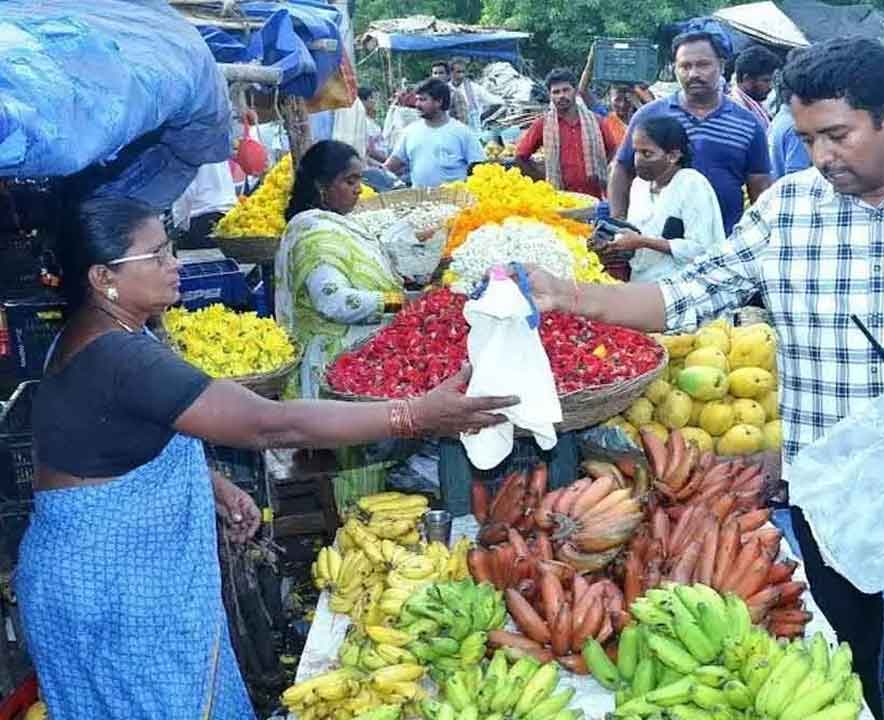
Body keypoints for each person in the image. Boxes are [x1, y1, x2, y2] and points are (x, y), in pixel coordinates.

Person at [529, 37, 884, 720]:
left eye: (837, 136)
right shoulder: (788, 208)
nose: (821, 157)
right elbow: (687, 295)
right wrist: (573, 296)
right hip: (829, 484)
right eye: (808, 138)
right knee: (840, 663)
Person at [16, 197, 515, 720]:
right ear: (103, 277)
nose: (175, 265)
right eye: (157, 255)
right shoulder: (121, 354)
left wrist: (210, 485)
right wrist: (411, 415)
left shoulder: (103, 333)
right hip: (109, 590)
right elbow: (270, 424)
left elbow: (112, 441)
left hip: (102, 575)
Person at [278, 141, 413, 509]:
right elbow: (335, 300)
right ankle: (353, 525)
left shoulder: (331, 226)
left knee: (362, 458)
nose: (359, 189)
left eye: (359, 180)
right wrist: (398, 302)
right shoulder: (313, 233)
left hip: (352, 361)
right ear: (323, 186)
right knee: (349, 462)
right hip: (331, 366)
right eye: (349, 181)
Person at [610, 31, 772, 235]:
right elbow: (622, 169)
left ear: (721, 66)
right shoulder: (649, 116)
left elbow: (760, 187)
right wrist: (619, 223)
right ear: (675, 69)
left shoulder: (748, 124)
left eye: (703, 64)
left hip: (723, 245)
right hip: (653, 247)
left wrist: (758, 237)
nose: (693, 73)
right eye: (685, 66)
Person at [596, 116, 725, 282]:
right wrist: (611, 246)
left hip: (686, 286)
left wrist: (643, 242)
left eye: (647, 153)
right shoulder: (639, 185)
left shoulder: (692, 183)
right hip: (643, 284)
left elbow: (701, 249)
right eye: (636, 151)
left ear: (673, 156)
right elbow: (636, 236)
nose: (638, 160)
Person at [515, 68, 617, 198]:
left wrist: (600, 170)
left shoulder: (596, 121)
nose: (561, 96)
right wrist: (543, 180)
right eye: (556, 92)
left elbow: (613, 150)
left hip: (595, 197)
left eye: (566, 90)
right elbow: (520, 156)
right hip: (561, 198)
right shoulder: (543, 124)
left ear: (574, 91)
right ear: (550, 96)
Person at [384, 79, 486, 190]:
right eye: (417, 100)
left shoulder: (462, 132)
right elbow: (392, 165)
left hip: (455, 202)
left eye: (423, 100)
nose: (417, 104)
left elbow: (480, 168)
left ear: (439, 102)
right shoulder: (410, 131)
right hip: (421, 202)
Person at [172, 161, 237, 250]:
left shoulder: (186, 153)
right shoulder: (216, 151)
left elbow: (186, 192)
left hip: (202, 221)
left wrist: (178, 225)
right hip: (231, 217)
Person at [728, 44, 782, 128]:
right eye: (766, 80)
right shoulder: (736, 111)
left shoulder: (755, 107)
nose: (771, 86)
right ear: (746, 78)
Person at [450, 58, 504, 130]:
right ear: (451, 72)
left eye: (463, 72)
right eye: (458, 72)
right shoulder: (445, 89)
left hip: (473, 129)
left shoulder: (474, 88)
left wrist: (483, 117)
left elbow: (498, 102)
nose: (461, 75)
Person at [430, 61, 473, 125]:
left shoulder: (455, 95)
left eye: (441, 73)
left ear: (448, 76)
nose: (437, 76)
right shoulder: (427, 95)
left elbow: (463, 121)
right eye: (435, 73)